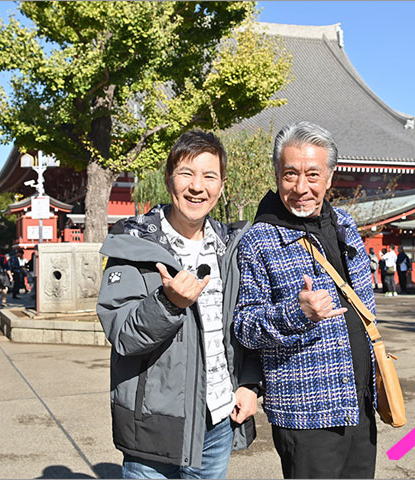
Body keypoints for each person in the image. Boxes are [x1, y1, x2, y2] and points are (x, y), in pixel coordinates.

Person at [96, 130, 262, 479]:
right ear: (169, 177)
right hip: (155, 424)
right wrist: (167, 303)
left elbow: (245, 324)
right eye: (186, 173)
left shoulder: (231, 248)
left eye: (209, 176)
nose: (197, 186)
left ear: (222, 185)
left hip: (218, 419)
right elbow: (123, 334)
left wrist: (249, 383)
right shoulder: (134, 245)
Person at [234, 122, 377, 479]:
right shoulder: (259, 241)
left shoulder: (344, 225)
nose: (301, 188)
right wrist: (297, 313)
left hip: (360, 403)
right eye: (290, 174)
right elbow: (245, 326)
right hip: (306, 411)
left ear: (330, 176)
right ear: (277, 175)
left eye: (313, 174)